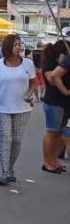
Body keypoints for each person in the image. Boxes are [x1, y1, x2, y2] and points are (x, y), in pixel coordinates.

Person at [0, 34, 37, 186]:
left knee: (17, 140)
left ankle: (11, 168)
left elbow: (34, 82)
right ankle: (5, 172)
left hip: (23, 108)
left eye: (20, 44)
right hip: (2, 107)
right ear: (8, 47)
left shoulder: (28, 64)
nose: (19, 47)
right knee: (6, 139)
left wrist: (29, 93)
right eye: (16, 45)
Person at [40, 41, 70, 173]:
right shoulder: (50, 63)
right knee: (51, 132)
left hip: (63, 103)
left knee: (58, 134)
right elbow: (52, 78)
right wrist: (65, 90)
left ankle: (54, 160)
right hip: (54, 102)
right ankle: (47, 162)